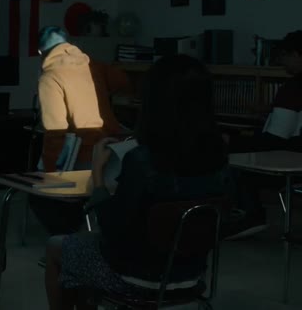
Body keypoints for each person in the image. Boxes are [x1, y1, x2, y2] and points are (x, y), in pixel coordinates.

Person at [44, 54, 228, 310]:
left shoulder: (142, 160)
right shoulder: (219, 157)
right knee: (83, 249)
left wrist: (98, 174)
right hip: (192, 276)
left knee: (56, 246)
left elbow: (110, 228)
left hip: (133, 277)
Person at [30, 26, 131, 236]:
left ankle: (70, 240)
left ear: (40, 52)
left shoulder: (50, 77)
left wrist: (50, 174)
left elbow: (55, 131)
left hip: (84, 159)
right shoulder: (94, 65)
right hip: (115, 154)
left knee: (37, 195)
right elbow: (123, 81)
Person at [224, 30, 302, 240]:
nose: (281, 62)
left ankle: (250, 215)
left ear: (296, 54)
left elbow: (274, 141)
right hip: (296, 158)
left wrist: (232, 141)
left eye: (283, 56)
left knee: (230, 160)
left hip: (289, 161)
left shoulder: (293, 88)